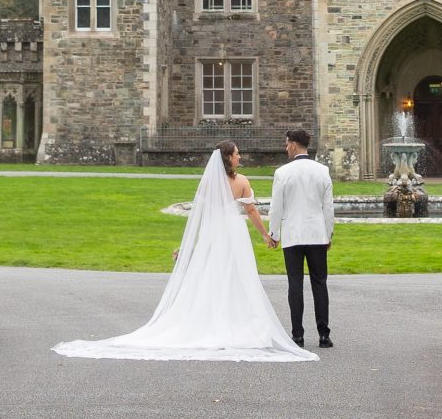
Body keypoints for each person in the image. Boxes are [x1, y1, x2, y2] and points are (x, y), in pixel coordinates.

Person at [53, 141, 314, 362]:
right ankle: (236, 322)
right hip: (234, 234)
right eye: (236, 153)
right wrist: (266, 235)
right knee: (237, 277)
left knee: (210, 277)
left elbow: (199, 216)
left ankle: (211, 321)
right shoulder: (242, 182)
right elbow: (252, 211)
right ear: (229, 158)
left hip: (213, 233)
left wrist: (188, 245)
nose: (240, 157)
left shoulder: (209, 183)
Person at [265, 126, 335, 348]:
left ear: (294, 144)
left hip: (293, 235)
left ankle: (298, 335)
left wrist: (273, 233)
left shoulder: (282, 173)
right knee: (319, 283)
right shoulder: (322, 170)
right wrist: (328, 234)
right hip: (316, 234)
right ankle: (324, 334)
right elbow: (328, 208)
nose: (286, 148)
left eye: (287, 144)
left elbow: (276, 207)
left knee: (295, 284)